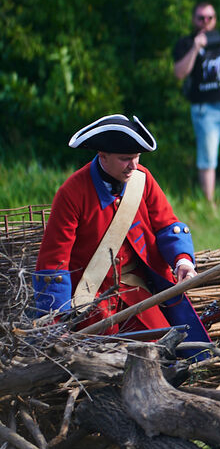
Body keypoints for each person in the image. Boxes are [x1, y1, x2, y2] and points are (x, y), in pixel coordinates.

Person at [34, 114, 210, 349]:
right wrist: (56, 323)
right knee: (98, 357)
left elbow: (167, 225)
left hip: (138, 294)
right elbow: (54, 262)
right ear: (103, 156)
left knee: (165, 350)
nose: (133, 166)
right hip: (91, 301)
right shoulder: (71, 193)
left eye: (136, 157)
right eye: (125, 159)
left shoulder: (142, 180)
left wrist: (183, 261)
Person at [172, 1, 220, 208]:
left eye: (210, 17)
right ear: (193, 19)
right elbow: (179, 73)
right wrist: (196, 47)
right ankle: (209, 205)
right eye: (201, 18)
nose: (205, 21)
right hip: (206, 110)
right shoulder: (186, 43)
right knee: (208, 160)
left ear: (215, 19)